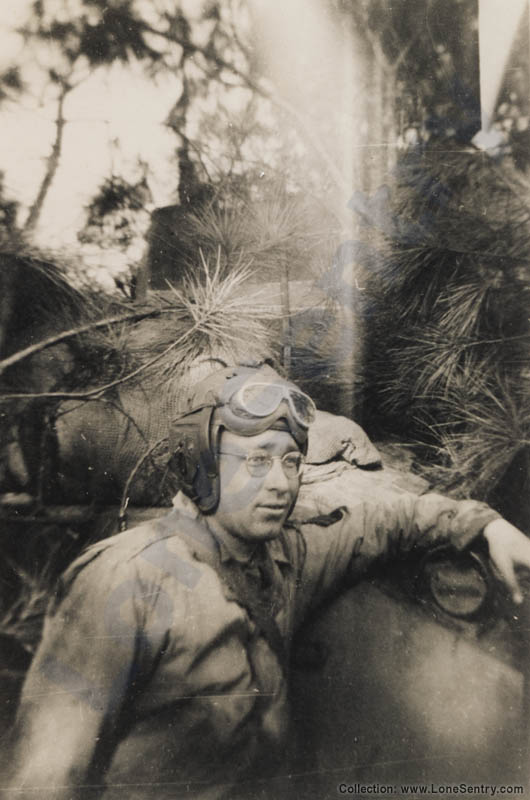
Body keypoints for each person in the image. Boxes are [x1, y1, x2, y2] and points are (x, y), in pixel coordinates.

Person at [4, 363, 530, 800]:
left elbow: (385, 521)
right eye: (255, 461)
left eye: (291, 462)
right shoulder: (127, 580)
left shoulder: (285, 556)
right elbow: (46, 779)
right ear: (205, 469)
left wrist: (488, 525)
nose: (280, 483)